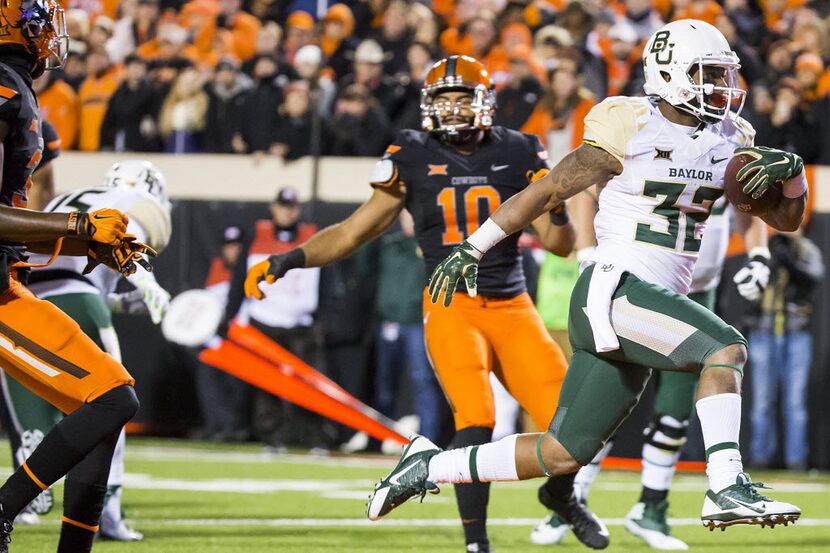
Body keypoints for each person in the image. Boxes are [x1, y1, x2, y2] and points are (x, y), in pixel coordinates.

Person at [367, 20, 807, 534]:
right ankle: (726, 484)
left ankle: (426, 465)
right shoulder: (630, 120)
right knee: (724, 347)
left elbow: (783, 220)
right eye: (707, 73)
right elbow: (550, 189)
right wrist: (475, 245)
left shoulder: (733, 136)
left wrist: (793, 180)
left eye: (724, 74)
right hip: (614, 288)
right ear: (669, 74)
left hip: (653, 300)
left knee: (562, 452)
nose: (722, 86)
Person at [245, 56, 609, 553]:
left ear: (485, 102)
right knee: (475, 418)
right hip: (451, 305)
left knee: (574, 429)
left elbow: (559, 245)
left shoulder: (520, 147)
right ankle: (476, 542)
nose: (453, 109)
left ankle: (560, 496)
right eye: (444, 100)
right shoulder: (411, 152)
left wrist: (560, 213)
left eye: (463, 98)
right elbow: (356, 230)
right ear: (427, 105)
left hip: (512, 304)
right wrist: (288, 259)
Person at [531, 186, 771, 549]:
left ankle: (652, 507)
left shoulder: (730, 142)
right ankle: (568, 500)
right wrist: (585, 249)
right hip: (636, 288)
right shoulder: (647, 134)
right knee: (602, 409)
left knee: (674, 415)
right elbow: (587, 187)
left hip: (697, 292)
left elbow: (748, 207)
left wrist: (759, 254)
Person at [0, 2, 155, 551]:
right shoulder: (2, 86)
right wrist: (77, 223)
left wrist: (84, 241)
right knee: (110, 400)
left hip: (6, 286)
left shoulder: (15, 85)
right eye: (38, 15)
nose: (51, 28)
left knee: (109, 397)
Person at [16, 160, 173, 542]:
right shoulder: (132, 202)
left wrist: (122, 301)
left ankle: (19, 506)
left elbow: (62, 263)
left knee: (33, 422)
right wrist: (147, 281)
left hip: (23, 300)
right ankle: (109, 514)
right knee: (112, 403)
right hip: (80, 302)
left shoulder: (68, 200)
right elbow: (124, 236)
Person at [225, 187, 330, 453]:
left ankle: (312, 436)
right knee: (266, 383)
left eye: (291, 206)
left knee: (308, 383)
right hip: (264, 319)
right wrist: (230, 315)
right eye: (282, 206)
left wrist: (325, 317)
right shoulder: (256, 235)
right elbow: (239, 278)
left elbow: (325, 279)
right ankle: (271, 436)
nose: (286, 211)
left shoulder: (311, 237)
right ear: (273, 207)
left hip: (300, 322)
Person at [748, 228, 823, 471]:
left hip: (796, 331)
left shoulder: (806, 249)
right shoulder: (763, 250)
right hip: (764, 329)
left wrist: (788, 262)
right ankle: (759, 458)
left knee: (794, 402)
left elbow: (813, 277)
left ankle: (796, 460)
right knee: (761, 401)